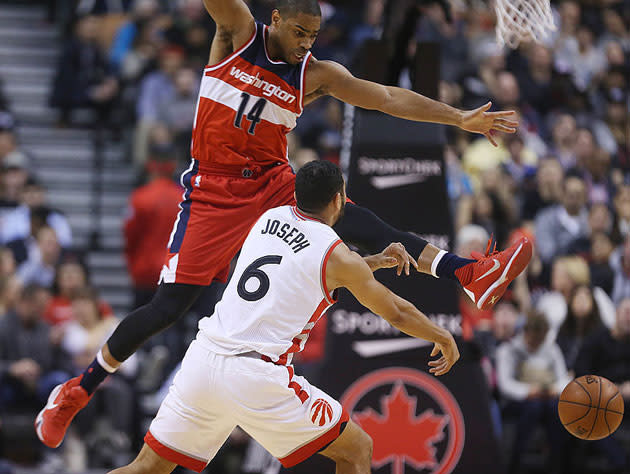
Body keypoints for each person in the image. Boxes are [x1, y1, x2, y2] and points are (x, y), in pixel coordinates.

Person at [36, 0, 531, 449]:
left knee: (357, 218)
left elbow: (385, 97)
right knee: (168, 306)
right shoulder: (238, 32)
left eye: (313, 36)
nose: (304, 44)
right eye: (298, 33)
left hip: (272, 181)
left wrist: (459, 118)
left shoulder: (315, 73)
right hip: (213, 189)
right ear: (275, 20)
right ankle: (77, 391)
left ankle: (468, 273)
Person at [107, 160, 460, 473]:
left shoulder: (268, 218)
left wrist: (373, 263)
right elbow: (396, 311)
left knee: (145, 469)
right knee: (356, 450)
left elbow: (300, 271)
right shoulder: (336, 255)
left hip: (204, 359)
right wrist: (440, 335)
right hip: (256, 373)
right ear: (339, 200)